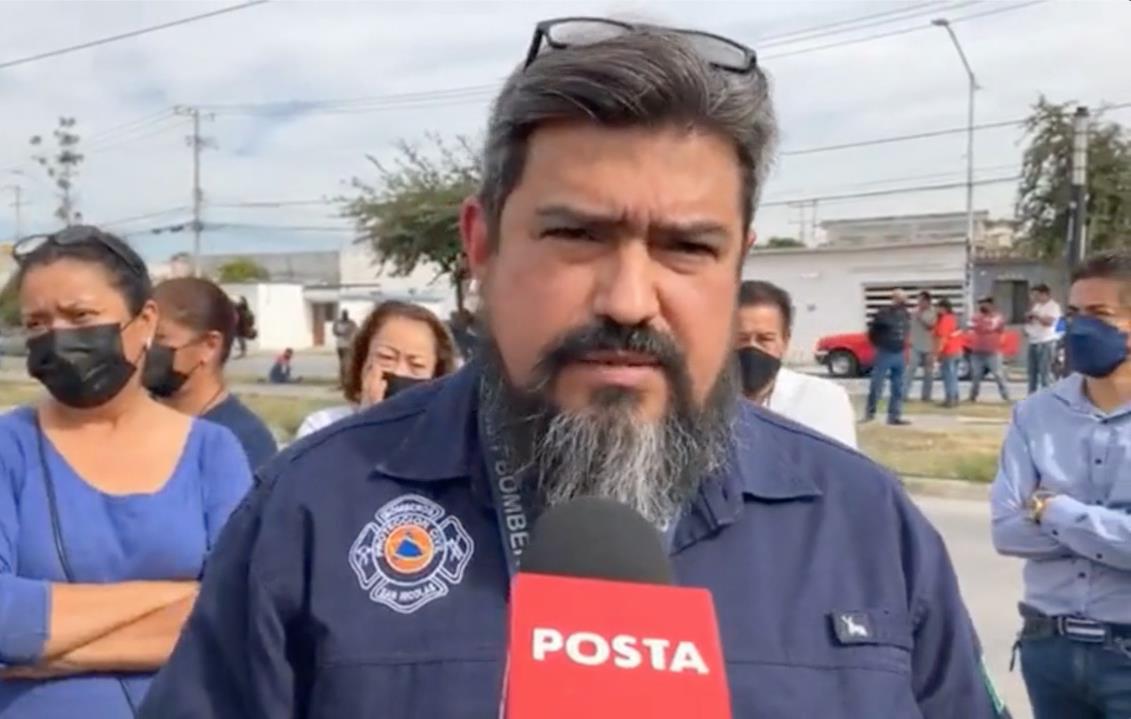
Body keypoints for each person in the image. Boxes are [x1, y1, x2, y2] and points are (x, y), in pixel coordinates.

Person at [141, 19, 1006, 718]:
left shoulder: (862, 524)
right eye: (578, 235)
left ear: (737, 262)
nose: (629, 299)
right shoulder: (314, 507)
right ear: (481, 244)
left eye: (686, 246)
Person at [0, 226, 252, 717]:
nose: (59, 338)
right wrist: (177, 596)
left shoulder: (214, 453)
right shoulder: (9, 448)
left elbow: (238, 613)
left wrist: (54, 655)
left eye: (81, 316)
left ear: (146, 321)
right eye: (36, 323)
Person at [990, 252, 1131, 718]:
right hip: (1047, 648)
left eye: (1100, 315)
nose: (1081, 326)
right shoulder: (1036, 414)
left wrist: (1053, 511)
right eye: (1074, 313)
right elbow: (1006, 531)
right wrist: (1109, 531)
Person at [144, 277, 279, 470]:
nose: (145, 348)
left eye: (159, 338)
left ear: (210, 345)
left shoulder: (242, 441)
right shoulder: (134, 425)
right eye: (142, 336)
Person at [296, 300, 458, 438]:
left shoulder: (447, 438)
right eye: (387, 357)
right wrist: (368, 423)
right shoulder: (322, 427)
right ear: (362, 361)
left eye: (416, 364)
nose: (399, 371)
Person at [736, 280, 856, 447]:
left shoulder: (823, 400)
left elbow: (838, 468)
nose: (752, 347)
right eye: (741, 338)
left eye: (765, 339)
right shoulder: (701, 404)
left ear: (785, 340)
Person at [864, 289, 911, 425]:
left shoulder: (905, 315)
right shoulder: (883, 313)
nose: (903, 302)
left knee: (898, 386)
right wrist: (878, 344)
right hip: (885, 352)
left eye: (905, 299)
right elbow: (872, 331)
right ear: (894, 299)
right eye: (901, 299)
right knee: (877, 384)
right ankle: (870, 412)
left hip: (899, 352)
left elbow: (906, 331)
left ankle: (894, 415)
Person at [970, 296, 1011, 403]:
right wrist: (982, 326)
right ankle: (972, 396)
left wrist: (983, 327)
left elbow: (991, 327)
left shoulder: (997, 317)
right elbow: (974, 326)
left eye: (984, 303)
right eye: (980, 303)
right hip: (977, 351)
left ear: (990, 305)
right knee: (976, 375)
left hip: (993, 351)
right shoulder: (976, 316)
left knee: (998, 375)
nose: (982, 306)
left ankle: (1006, 396)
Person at [1024, 284, 1062, 395]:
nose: (1034, 298)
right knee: (1032, 373)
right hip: (1033, 341)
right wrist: (1029, 318)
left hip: (1046, 341)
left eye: (1037, 295)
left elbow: (1049, 323)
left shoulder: (1053, 306)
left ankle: (1048, 396)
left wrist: (1036, 315)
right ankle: (1031, 396)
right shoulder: (1037, 306)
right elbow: (1032, 321)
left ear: (1044, 294)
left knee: (1044, 372)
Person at [904, 290, 938, 403]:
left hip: (928, 346)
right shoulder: (914, 312)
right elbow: (909, 327)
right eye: (918, 300)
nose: (919, 303)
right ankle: (904, 394)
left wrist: (920, 317)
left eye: (921, 300)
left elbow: (930, 326)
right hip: (915, 345)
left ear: (927, 301)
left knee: (928, 372)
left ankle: (926, 396)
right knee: (910, 370)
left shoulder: (933, 312)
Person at [934, 298, 963, 408]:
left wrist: (938, 353)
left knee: (948, 376)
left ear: (943, 308)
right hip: (958, 350)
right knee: (954, 376)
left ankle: (950, 399)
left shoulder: (945, 320)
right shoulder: (955, 318)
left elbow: (943, 338)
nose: (937, 310)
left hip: (949, 351)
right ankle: (955, 397)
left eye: (938, 307)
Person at [331, 309, 359, 385]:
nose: (344, 315)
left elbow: (356, 331)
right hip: (340, 345)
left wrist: (349, 334)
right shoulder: (338, 323)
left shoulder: (351, 323)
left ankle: (346, 381)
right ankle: (342, 381)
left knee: (346, 363)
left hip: (348, 345)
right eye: (343, 314)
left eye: (346, 314)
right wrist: (343, 333)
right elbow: (334, 332)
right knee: (342, 363)